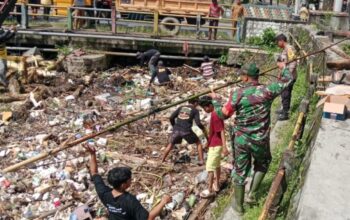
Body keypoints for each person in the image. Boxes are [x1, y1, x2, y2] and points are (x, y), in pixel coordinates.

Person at [210, 61, 293, 216]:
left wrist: (215, 100)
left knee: (240, 171)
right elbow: (287, 81)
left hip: (241, 139)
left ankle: (239, 207)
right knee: (264, 162)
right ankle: (252, 194)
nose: (241, 78)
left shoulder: (237, 94)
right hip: (260, 138)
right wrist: (284, 68)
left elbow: (223, 114)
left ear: (247, 77)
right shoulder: (268, 90)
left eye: (242, 75)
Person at [84, 145, 172, 220]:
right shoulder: (129, 201)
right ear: (123, 185)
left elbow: (94, 172)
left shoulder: (104, 193)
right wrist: (163, 202)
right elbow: (148, 218)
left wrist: (92, 154)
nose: (131, 180)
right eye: (129, 179)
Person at [162, 98, 208, 165]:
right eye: (197, 103)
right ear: (195, 103)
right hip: (186, 130)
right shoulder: (195, 110)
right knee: (198, 142)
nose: (198, 104)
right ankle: (201, 160)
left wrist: (174, 126)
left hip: (176, 129)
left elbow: (171, 117)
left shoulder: (181, 107)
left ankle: (162, 160)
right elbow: (198, 123)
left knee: (171, 144)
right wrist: (203, 128)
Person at [199, 96, 228, 198]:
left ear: (210, 106)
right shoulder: (216, 111)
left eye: (205, 108)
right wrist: (208, 142)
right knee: (216, 165)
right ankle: (217, 184)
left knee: (210, 168)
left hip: (216, 144)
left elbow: (221, 131)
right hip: (214, 143)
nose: (204, 110)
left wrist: (225, 147)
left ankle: (210, 189)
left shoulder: (215, 115)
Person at [276, 34, 298, 121]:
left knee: (285, 93)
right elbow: (284, 63)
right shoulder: (286, 49)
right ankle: (284, 109)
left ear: (281, 41)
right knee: (285, 93)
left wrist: (287, 74)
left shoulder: (289, 48)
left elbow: (293, 62)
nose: (277, 44)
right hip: (286, 75)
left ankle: (285, 114)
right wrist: (280, 74)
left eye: (277, 42)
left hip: (289, 76)